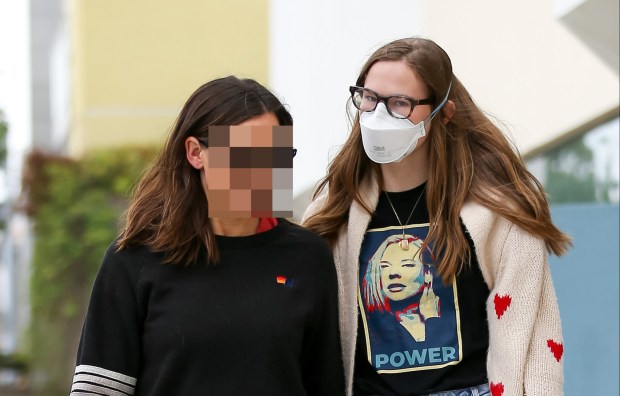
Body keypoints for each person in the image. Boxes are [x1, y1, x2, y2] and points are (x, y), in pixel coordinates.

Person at [303, 37, 570, 396]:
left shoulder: (498, 211)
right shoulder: (331, 210)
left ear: (443, 112)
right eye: (369, 98)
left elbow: (536, 337)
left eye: (400, 103)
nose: (378, 114)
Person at [69, 76, 345, 396]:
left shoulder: (307, 257)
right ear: (195, 153)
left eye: (277, 154)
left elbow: (325, 385)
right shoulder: (133, 260)